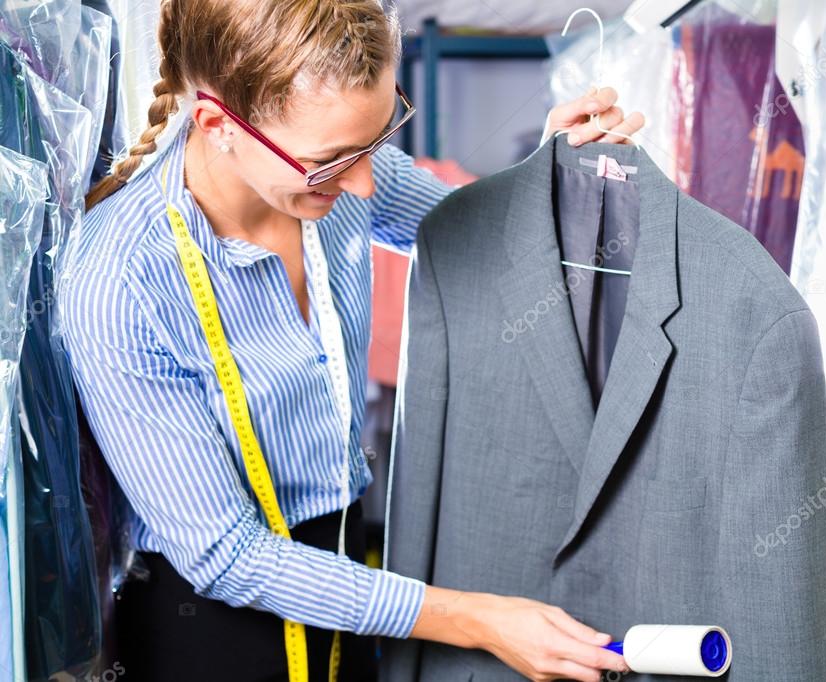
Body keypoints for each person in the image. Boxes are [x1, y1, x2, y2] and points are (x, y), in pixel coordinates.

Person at [60, 1, 645, 681]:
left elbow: (479, 238)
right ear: (218, 122)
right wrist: (477, 620)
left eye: (376, 141)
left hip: (348, 570)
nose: (367, 183)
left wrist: (550, 168)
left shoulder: (333, 178)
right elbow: (224, 554)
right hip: (209, 612)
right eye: (332, 160)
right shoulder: (120, 279)